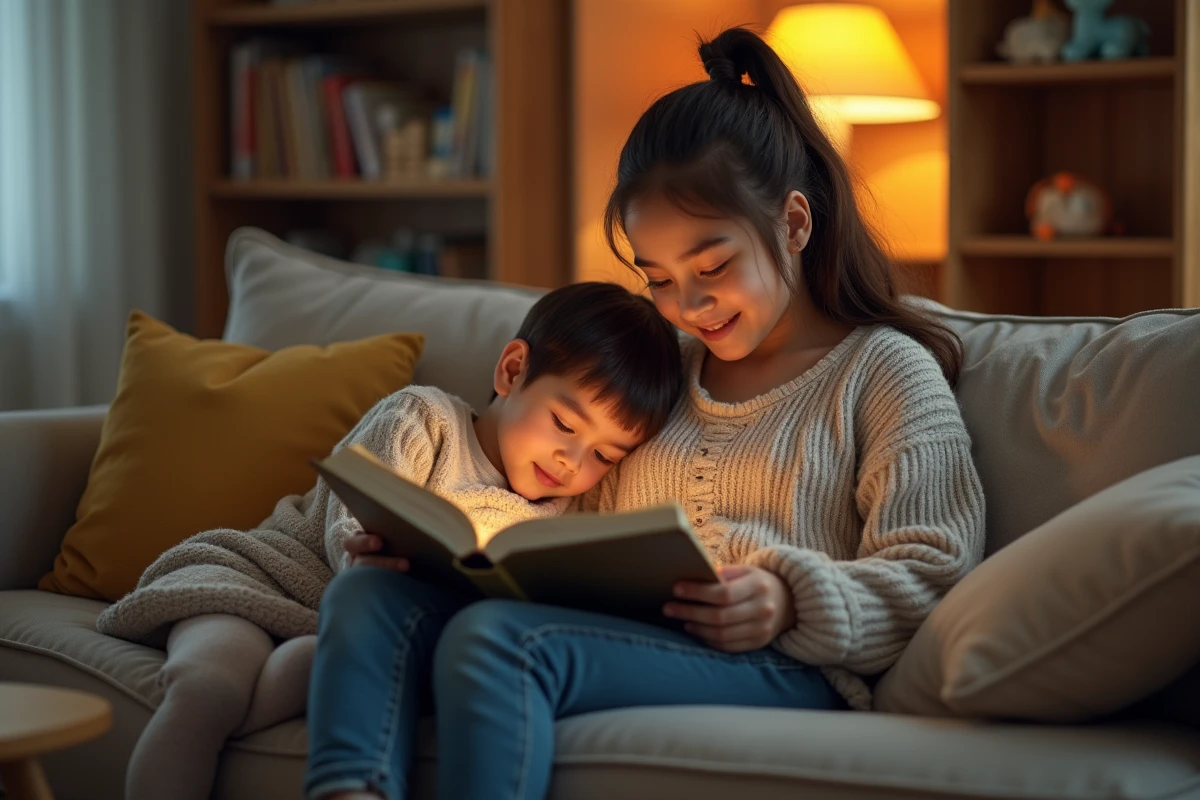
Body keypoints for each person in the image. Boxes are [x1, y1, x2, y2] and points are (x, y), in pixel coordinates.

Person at [307, 26, 986, 800]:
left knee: (497, 644)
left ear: (794, 224)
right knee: (368, 595)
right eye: (658, 278)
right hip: (614, 632)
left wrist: (791, 598)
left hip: (779, 663)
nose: (688, 305)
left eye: (712, 266)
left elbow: (935, 568)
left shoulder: (885, 371)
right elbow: (564, 509)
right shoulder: (662, 372)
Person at [98, 281, 683, 800]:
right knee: (207, 687)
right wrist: (364, 546)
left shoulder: (560, 514)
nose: (572, 459)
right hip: (262, 575)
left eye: (605, 455)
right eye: (564, 424)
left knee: (301, 668)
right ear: (511, 371)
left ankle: (304, 666)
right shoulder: (423, 418)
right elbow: (353, 509)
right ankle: (261, 677)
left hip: (354, 637)